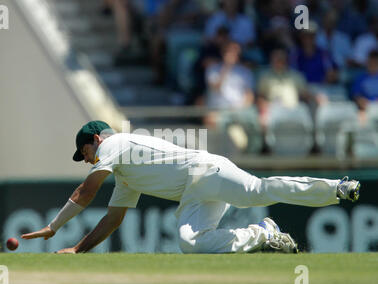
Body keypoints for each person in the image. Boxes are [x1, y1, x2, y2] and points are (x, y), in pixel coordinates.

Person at [21, 121, 361, 254]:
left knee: (259, 190)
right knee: (189, 243)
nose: (90, 161)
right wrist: (78, 249)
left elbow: (86, 192)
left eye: (86, 154)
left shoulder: (116, 143)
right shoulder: (124, 172)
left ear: (96, 140)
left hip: (207, 170)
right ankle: (262, 234)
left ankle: (337, 188)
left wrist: (54, 227)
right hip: (193, 194)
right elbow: (113, 218)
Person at [204, 41, 254, 127]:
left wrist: (240, 109)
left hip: (240, 110)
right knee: (211, 120)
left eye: (235, 52)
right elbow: (216, 88)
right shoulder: (212, 69)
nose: (232, 54)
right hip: (218, 109)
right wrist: (227, 67)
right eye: (229, 51)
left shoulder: (246, 72)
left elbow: (249, 96)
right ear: (223, 53)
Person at [351, 49, 378, 124]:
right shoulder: (360, 78)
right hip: (366, 108)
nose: (372, 65)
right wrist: (360, 101)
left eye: (375, 62)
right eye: (370, 62)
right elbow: (356, 95)